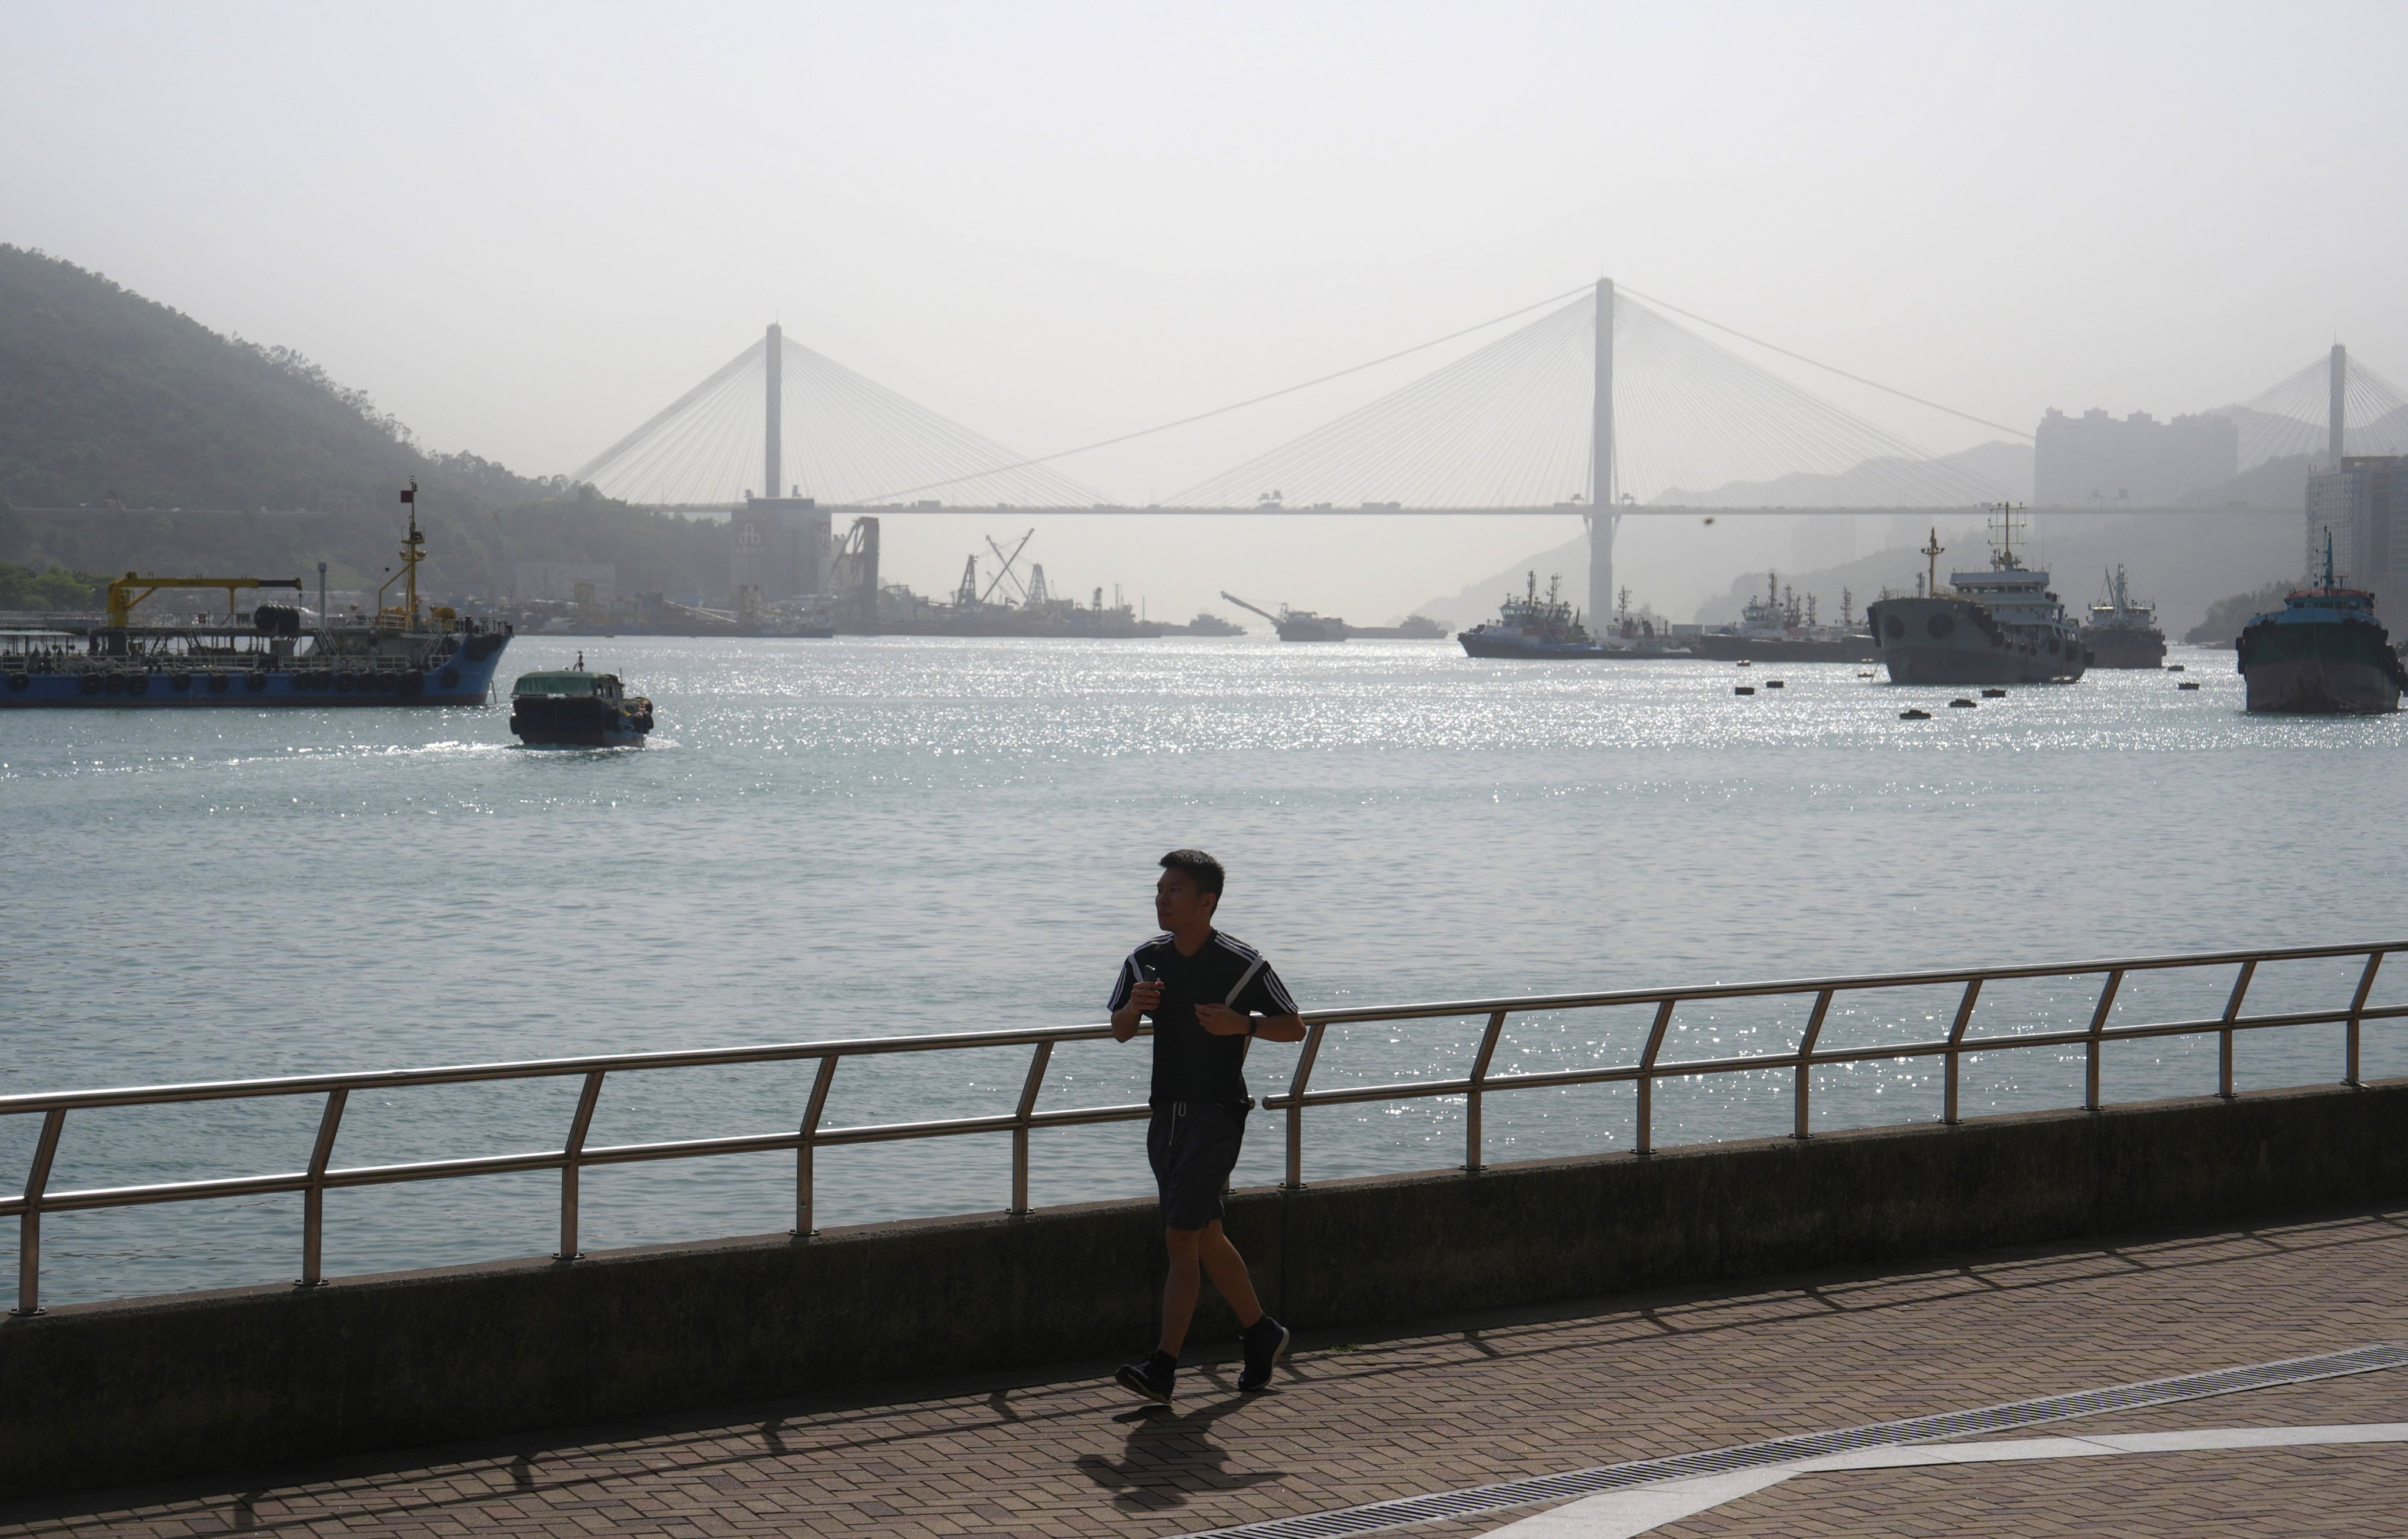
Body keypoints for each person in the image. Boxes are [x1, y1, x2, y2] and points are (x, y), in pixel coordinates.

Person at [1108, 849, 1306, 1405]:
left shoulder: (1239, 964)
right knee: (1207, 1235)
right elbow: (1120, 1029)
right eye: (1160, 890)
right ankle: (1262, 1333)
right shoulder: (1146, 960)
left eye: (1174, 891)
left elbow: (1295, 1028)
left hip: (1216, 1115)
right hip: (1164, 1114)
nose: (1162, 899)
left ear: (1206, 902)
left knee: (1179, 1238)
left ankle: (1163, 1367)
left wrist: (1241, 1024)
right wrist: (1134, 1008)